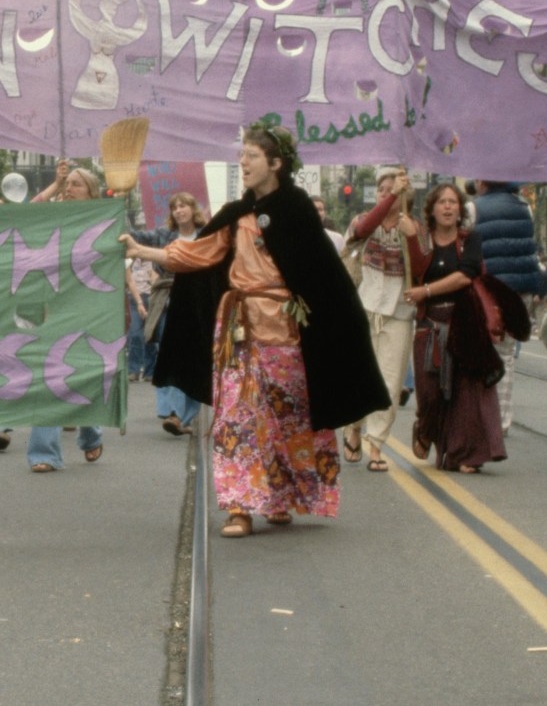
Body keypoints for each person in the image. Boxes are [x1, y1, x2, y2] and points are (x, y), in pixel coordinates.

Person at [123, 124, 387, 534]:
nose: (242, 162)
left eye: (251, 156)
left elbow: (323, 278)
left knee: (287, 416)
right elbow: (197, 253)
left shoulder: (298, 209)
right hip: (238, 331)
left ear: (275, 164)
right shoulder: (235, 213)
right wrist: (142, 251)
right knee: (236, 415)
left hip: (287, 331)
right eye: (241, 155)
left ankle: (278, 496)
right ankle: (240, 506)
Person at [406, 182, 519, 473]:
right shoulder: (422, 240)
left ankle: (466, 454)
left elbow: (465, 275)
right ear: (431, 209)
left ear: (460, 210)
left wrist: (426, 291)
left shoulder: (470, 239)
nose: (447, 207)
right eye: (441, 202)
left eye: (452, 202)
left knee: (466, 394)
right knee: (430, 394)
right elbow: (414, 270)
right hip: (429, 326)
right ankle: (426, 428)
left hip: (465, 323)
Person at [24, 163, 108, 474]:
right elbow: (25, 215)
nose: (69, 189)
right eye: (67, 184)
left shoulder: (103, 219)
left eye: (76, 185)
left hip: (89, 307)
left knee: (82, 373)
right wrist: (54, 186)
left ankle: (90, 433)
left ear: (91, 192)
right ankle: (42, 453)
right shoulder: (54, 215)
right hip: (54, 306)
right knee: (50, 375)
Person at [342, 166, 418, 472]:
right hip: (363, 308)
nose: (387, 194)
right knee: (360, 375)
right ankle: (354, 427)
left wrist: (412, 239)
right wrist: (389, 201)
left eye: (394, 189)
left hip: (399, 313)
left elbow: (422, 263)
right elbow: (360, 233)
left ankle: (376, 445)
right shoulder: (364, 221)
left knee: (390, 382)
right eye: (382, 190)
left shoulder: (412, 226)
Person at [471, 181, 547, 433]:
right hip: (520, 290)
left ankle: (482, 416)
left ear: (482, 182)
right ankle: (502, 420)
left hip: (488, 289)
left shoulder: (474, 208)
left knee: (482, 351)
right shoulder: (524, 207)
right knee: (506, 353)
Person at [136, 190, 205, 437]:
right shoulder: (164, 235)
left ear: (193, 209)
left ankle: (183, 414)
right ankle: (174, 414)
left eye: (183, 205)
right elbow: (137, 236)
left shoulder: (206, 234)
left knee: (194, 357)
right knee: (169, 352)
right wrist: (116, 206)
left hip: (198, 300)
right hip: (168, 297)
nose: (179, 210)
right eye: (174, 207)